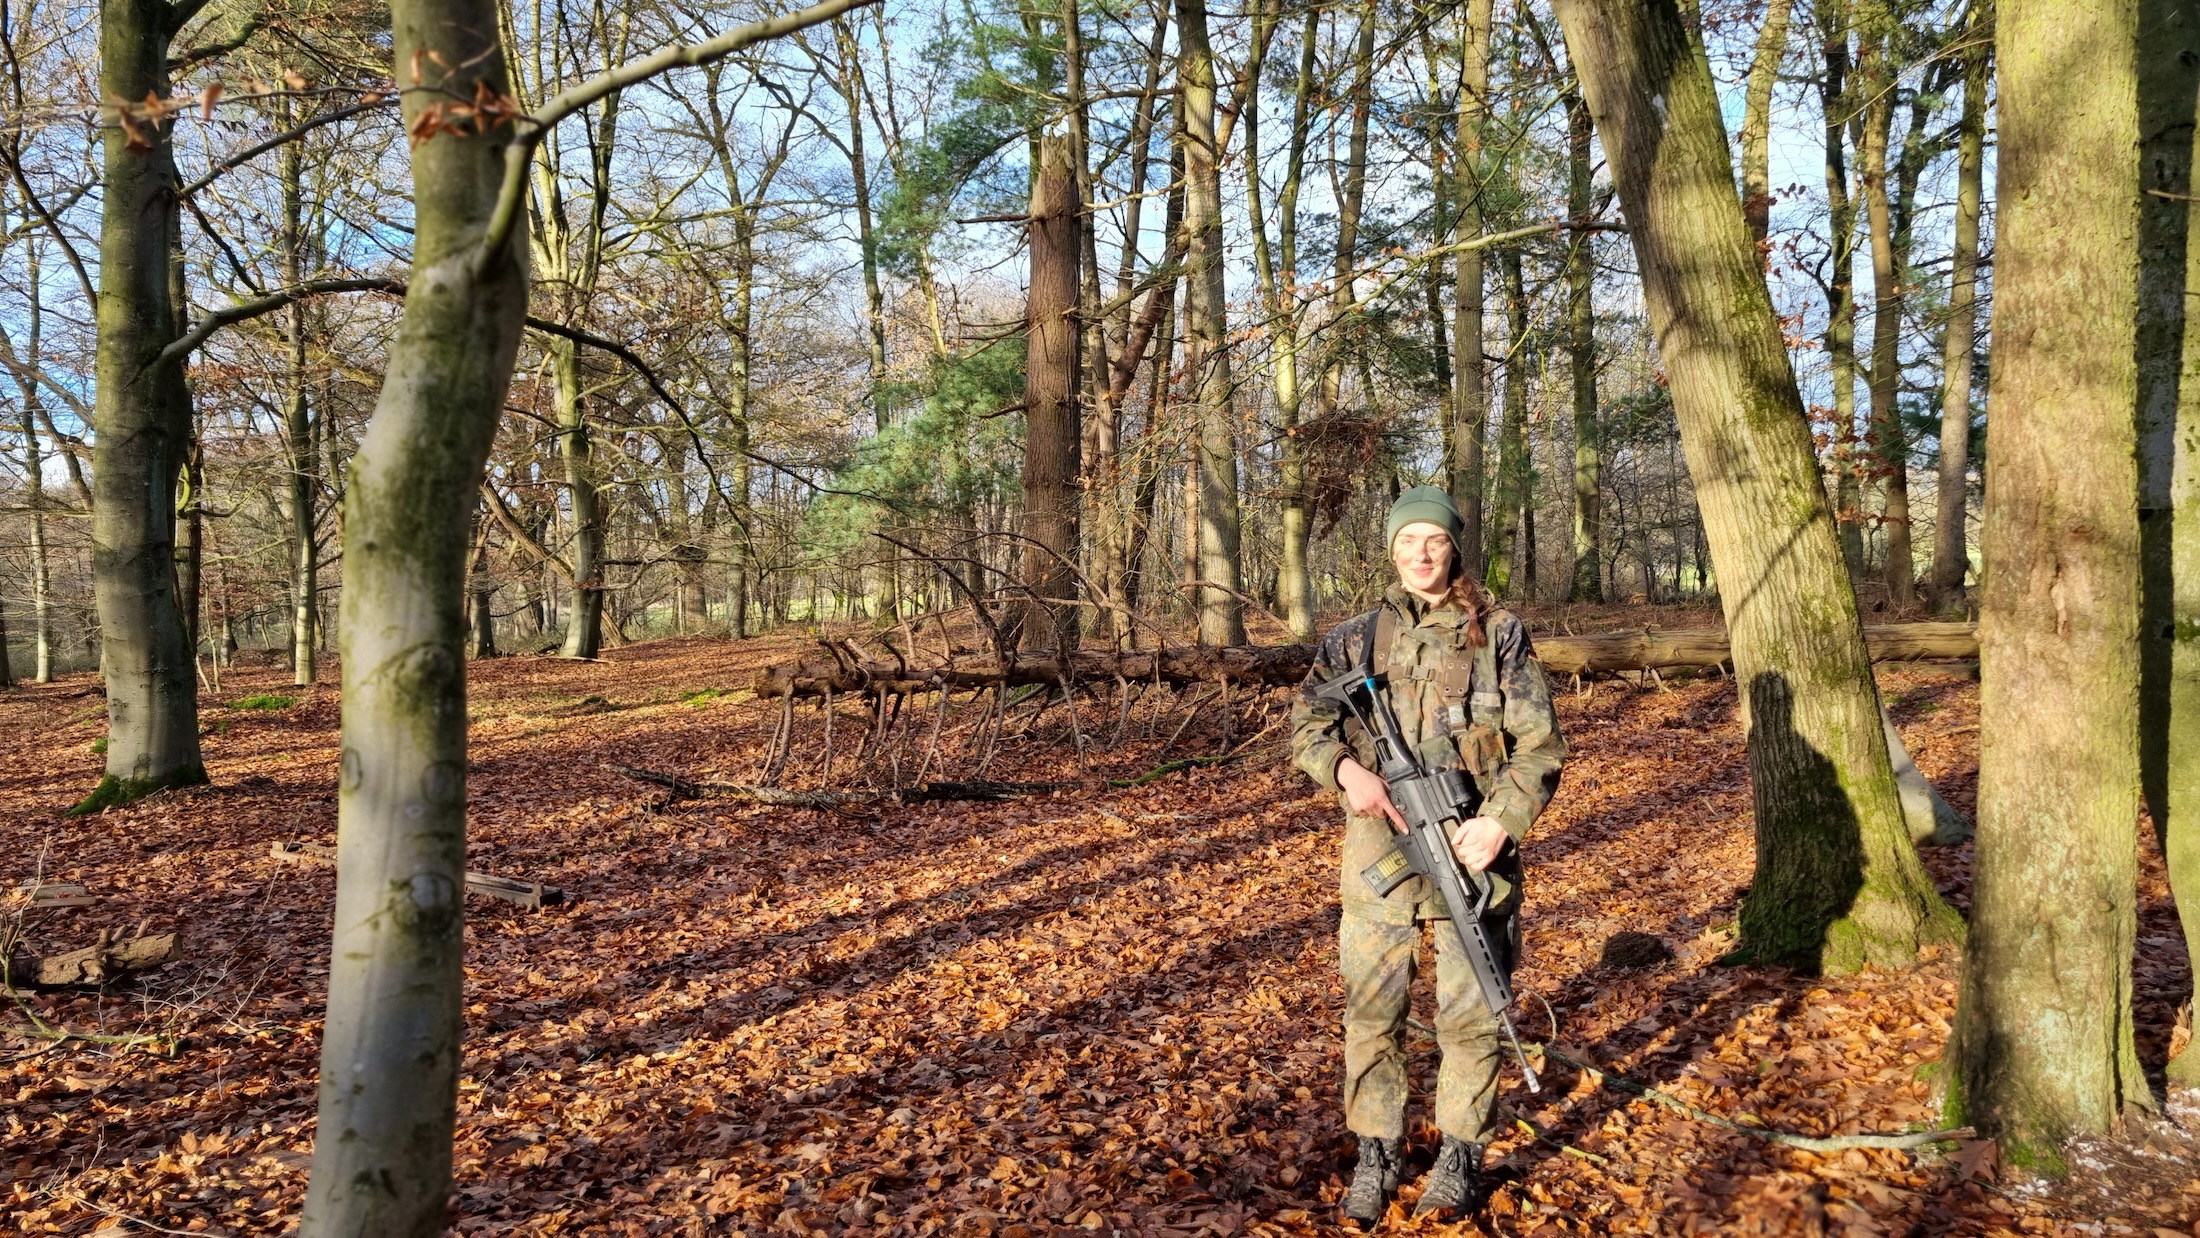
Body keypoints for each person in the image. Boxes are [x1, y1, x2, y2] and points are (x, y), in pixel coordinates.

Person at [1289, 486, 1567, 1226]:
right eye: (1408, 540)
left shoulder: (1497, 634)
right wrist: (1345, 772)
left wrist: (1501, 822)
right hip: (1380, 858)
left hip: (1474, 859)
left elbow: (1539, 745)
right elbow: (1307, 725)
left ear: (1453, 549)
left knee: (1473, 1014)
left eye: (1434, 541)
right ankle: (1376, 1151)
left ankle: (1459, 1156)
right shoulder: (1352, 641)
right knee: (1371, 1015)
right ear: (1391, 548)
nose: (1420, 553)